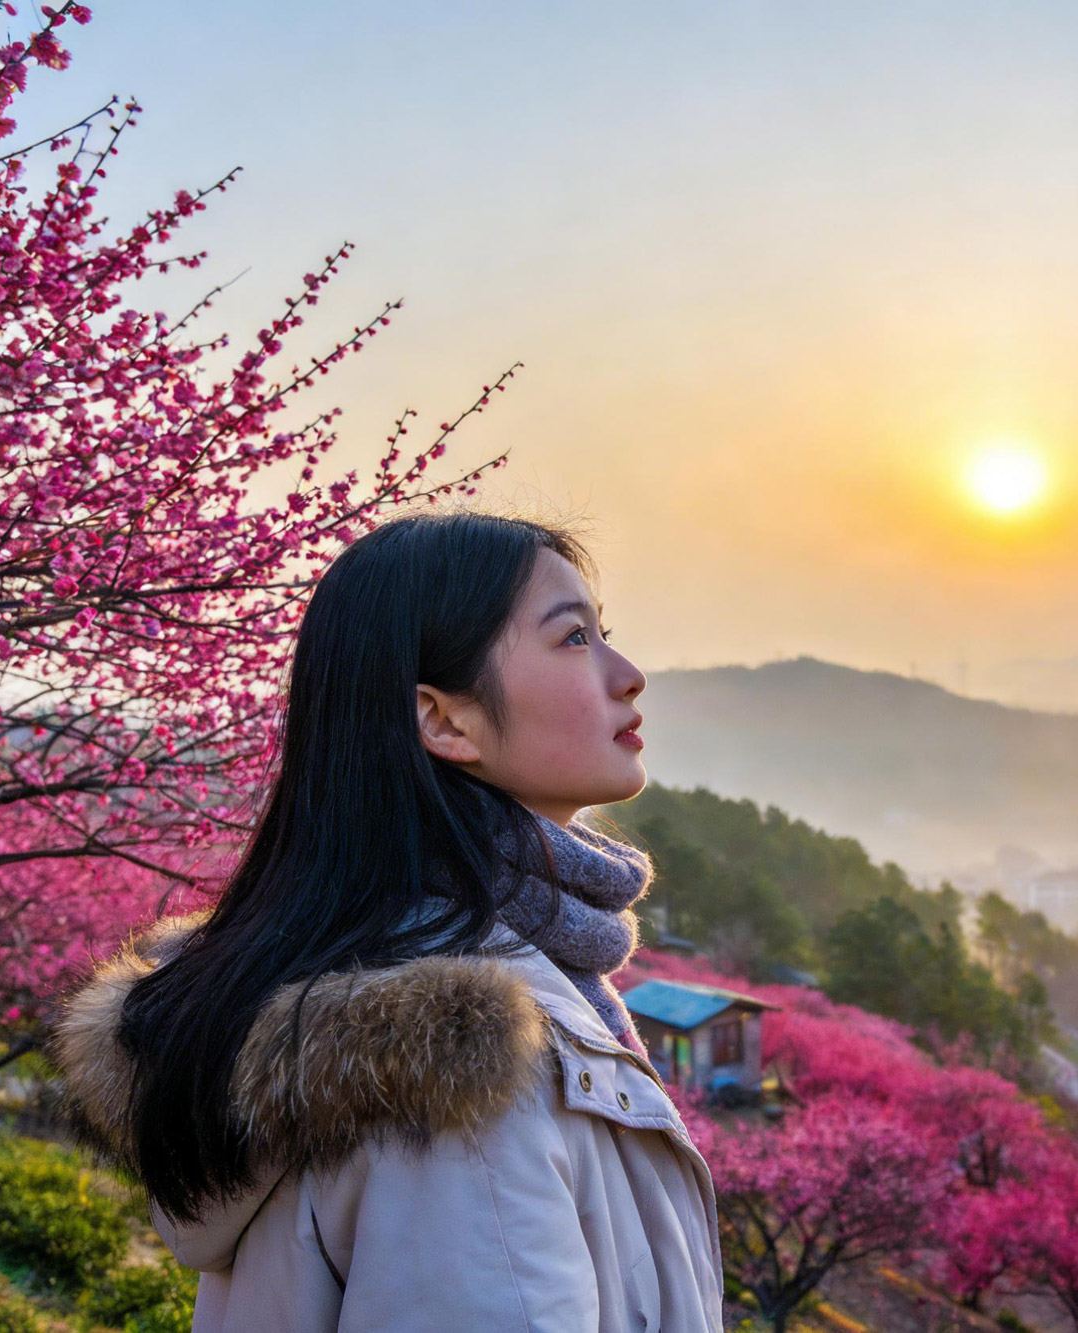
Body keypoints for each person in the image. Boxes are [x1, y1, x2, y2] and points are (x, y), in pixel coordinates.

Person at [50, 511, 723, 1332]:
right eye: (574, 638)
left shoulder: (443, 1000)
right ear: (444, 721)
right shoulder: (456, 1069)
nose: (629, 674)